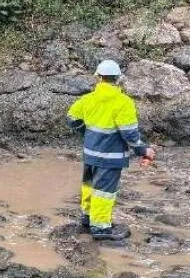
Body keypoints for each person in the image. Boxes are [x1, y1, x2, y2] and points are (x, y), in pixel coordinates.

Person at [66, 60, 155, 241]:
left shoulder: (87, 99)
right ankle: (100, 228)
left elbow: (71, 118)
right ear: (118, 79)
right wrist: (144, 150)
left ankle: (87, 218)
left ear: (98, 78)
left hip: (90, 154)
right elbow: (129, 133)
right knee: (104, 192)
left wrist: (88, 133)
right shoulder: (123, 102)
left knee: (89, 186)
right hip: (110, 157)